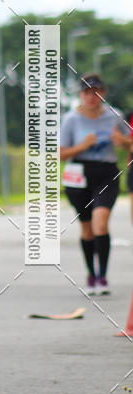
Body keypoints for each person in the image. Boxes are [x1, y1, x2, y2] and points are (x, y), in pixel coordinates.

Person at [60, 74, 130, 295]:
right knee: (87, 229)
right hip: (78, 175)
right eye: (87, 92)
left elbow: (129, 142)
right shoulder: (71, 119)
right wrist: (82, 146)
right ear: (80, 95)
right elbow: (60, 154)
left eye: (96, 92)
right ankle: (91, 273)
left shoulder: (114, 116)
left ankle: (102, 276)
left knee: (101, 223)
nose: (92, 96)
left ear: (103, 93)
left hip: (106, 173)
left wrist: (123, 142)